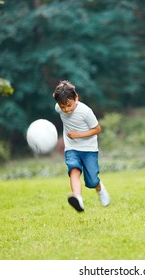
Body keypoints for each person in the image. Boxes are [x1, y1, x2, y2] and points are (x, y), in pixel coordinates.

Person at [53, 80, 110, 212]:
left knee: (92, 181)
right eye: (63, 107)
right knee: (74, 170)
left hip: (89, 149)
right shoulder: (59, 107)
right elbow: (56, 98)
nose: (66, 110)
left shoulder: (86, 112)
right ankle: (77, 199)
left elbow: (97, 129)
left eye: (69, 105)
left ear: (76, 98)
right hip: (71, 148)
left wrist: (77, 135)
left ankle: (99, 188)